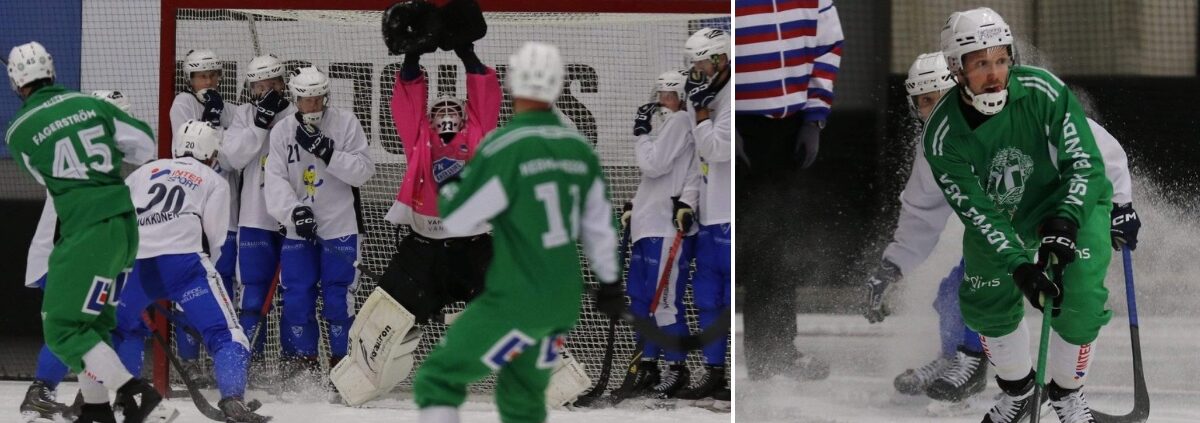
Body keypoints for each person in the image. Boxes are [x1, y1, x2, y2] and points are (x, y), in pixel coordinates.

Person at [865, 51, 1141, 416]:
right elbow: (921, 214)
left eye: (939, 97)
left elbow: (1096, 152)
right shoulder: (938, 143)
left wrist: (1121, 203)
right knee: (957, 289)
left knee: (1075, 295)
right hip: (1001, 226)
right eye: (923, 102)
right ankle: (963, 358)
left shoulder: (1026, 109)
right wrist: (894, 265)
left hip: (1055, 213)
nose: (933, 109)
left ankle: (1027, 378)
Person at [921, 8, 1114, 422]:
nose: (994, 73)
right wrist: (1020, 266)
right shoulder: (941, 135)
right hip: (1003, 218)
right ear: (957, 69)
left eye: (1001, 59)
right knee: (986, 302)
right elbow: (979, 212)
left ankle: (1066, 395)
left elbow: (1085, 163)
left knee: (1079, 296)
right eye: (980, 63)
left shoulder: (1043, 91)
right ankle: (1020, 392)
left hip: (1070, 206)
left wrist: (1064, 224)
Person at [411, 41, 620, 423]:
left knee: (438, 378)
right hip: (561, 300)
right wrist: (609, 282)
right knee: (522, 397)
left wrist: (452, 187)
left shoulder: (504, 146)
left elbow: (460, 219)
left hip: (517, 296)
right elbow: (599, 226)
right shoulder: (578, 148)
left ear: (513, 86)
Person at [6, 41, 162, 423]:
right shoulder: (93, 107)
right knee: (92, 326)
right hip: (124, 230)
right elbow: (145, 146)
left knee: (63, 329)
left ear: (15, 82)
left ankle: (134, 392)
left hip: (82, 237)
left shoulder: (17, 132)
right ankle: (95, 409)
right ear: (52, 70)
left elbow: (49, 177)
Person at [112, 120, 268, 422]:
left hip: (134, 264)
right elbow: (214, 240)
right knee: (228, 335)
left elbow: (120, 221)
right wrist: (188, 289)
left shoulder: (143, 172)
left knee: (123, 330)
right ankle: (233, 399)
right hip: (184, 265)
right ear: (212, 154)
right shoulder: (212, 179)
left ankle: (121, 397)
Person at [735, 0, 843, 381]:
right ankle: (719, 363)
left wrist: (815, 116)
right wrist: (723, 120)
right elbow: (712, 51)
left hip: (788, 129)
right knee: (731, 245)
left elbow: (828, 47)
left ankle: (775, 352)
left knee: (777, 243)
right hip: (737, 131)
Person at [263, 66, 375, 383]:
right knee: (298, 296)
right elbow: (274, 179)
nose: (312, 107)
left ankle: (343, 367)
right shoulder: (282, 131)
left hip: (340, 226)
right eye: (305, 100)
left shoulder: (346, 123)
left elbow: (364, 171)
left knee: (339, 297)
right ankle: (304, 367)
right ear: (295, 99)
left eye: (317, 100)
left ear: (326, 96)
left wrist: (329, 152)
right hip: (300, 229)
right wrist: (293, 211)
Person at [617, 69, 701, 399]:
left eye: (667, 96)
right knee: (641, 303)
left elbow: (654, 165)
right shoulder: (668, 126)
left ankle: (677, 369)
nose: (661, 102)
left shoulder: (681, 122)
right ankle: (648, 365)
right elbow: (652, 179)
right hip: (646, 224)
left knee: (665, 305)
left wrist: (640, 135)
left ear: (681, 97)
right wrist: (634, 205)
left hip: (666, 228)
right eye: (659, 95)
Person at [168, 48, 241, 381]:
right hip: (191, 212)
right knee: (190, 289)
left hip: (227, 212)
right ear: (190, 78)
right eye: (201, 76)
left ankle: (220, 358)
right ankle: (188, 359)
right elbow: (189, 148)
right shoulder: (182, 104)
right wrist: (210, 121)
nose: (208, 81)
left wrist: (218, 121)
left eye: (212, 75)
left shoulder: (233, 110)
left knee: (223, 290)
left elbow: (229, 157)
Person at [220, 54, 296, 365]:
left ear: (283, 84)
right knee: (252, 295)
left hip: (292, 219)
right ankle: (251, 361)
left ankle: (294, 363)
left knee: (295, 294)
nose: (265, 91)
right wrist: (260, 123)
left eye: (271, 85)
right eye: (258, 86)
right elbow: (230, 159)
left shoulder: (297, 113)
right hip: (254, 217)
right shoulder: (243, 114)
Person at [683, 26, 734, 402]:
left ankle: (732, 373)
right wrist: (688, 201)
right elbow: (697, 157)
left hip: (731, 215)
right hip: (709, 216)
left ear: (720, 57)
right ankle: (715, 372)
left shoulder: (734, 95)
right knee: (707, 297)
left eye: (700, 61)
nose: (696, 70)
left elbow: (718, 149)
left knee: (730, 299)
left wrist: (701, 113)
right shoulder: (709, 95)